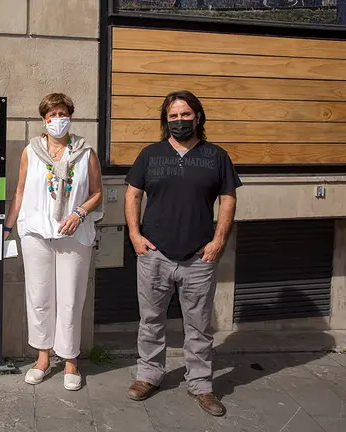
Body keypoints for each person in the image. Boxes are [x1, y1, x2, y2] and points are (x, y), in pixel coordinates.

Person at [124, 90, 241, 417]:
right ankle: (148, 375)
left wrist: (218, 241)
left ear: (198, 117)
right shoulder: (150, 154)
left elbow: (228, 199)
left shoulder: (216, 156)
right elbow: (132, 196)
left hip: (198, 258)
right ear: (166, 120)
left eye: (185, 115)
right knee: (150, 321)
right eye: (173, 116)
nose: (179, 121)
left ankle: (202, 385)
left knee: (199, 325)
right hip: (154, 254)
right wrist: (134, 235)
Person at [3, 93, 103, 391]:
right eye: (51, 115)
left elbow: (97, 192)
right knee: (39, 297)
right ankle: (43, 357)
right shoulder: (30, 152)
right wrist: (7, 227)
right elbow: (20, 191)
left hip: (73, 235)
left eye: (62, 113)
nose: (57, 119)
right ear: (43, 120)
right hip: (36, 233)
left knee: (71, 298)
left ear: (70, 116)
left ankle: (70, 359)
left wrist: (80, 212)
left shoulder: (86, 153)